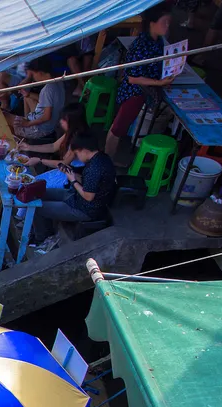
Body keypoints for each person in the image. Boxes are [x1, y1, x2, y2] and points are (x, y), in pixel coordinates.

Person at [106, 5, 174, 162]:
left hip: (144, 91)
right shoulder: (142, 46)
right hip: (134, 92)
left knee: (121, 126)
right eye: (164, 22)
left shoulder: (158, 41)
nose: (167, 26)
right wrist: (159, 82)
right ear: (152, 23)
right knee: (118, 128)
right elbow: (132, 78)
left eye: (168, 22)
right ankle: (108, 159)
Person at [31, 129, 118, 242]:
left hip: (85, 209)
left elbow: (88, 196)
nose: (76, 157)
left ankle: (42, 238)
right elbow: (91, 183)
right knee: (40, 192)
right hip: (76, 197)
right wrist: (71, 173)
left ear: (84, 150)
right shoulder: (102, 157)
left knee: (36, 208)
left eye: (77, 153)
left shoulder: (94, 168)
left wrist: (73, 180)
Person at [21, 102, 86, 188]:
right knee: (31, 182)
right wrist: (29, 147)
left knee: (32, 185)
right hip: (64, 171)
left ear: (73, 122)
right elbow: (53, 146)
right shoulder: (72, 132)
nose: (61, 122)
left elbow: (64, 164)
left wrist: (40, 160)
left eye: (64, 120)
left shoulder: (78, 139)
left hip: (72, 177)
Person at [10, 58, 65, 143]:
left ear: (40, 73)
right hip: (50, 125)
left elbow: (47, 116)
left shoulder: (48, 89)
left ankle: (20, 139)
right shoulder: (58, 82)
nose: (33, 77)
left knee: (4, 116)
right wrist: (28, 95)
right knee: (26, 98)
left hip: (39, 129)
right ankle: (26, 120)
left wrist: (28, 124)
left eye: (33, 74)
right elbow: (47, 100)